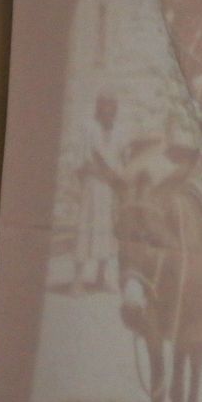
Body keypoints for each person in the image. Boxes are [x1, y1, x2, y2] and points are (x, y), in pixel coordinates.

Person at [76, 91, 126, 294]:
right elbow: (83, 162)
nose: (108, 111)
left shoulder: (119, 131)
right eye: (105, 107)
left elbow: (121, 160)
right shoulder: (88, 128)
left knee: (107, 232)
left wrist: (117, 178)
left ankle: (101, 278)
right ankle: (77, 281)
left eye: (112, 108)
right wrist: (104, 174)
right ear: (99, 108)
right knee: (85, 230)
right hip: (92, 186)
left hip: (109, 189)